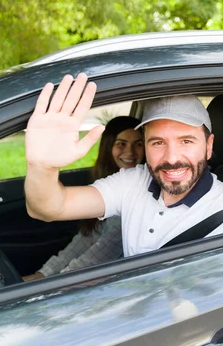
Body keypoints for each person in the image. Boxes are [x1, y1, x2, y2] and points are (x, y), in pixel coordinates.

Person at [24, 74, 223, 257]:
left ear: (209, 146)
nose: (171, 158)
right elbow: (49, 208)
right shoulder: (134, 180)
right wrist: (43, 166)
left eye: (186, 141)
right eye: (158, 142)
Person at [23, 116, 144, 281]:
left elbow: (94, 261)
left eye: (139, 144)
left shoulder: (138, 196)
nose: (130, 152)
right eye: (121, 143)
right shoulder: (107, 184)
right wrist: (40, 276)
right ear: (108, 147)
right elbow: (84, 240)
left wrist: (41, 287)